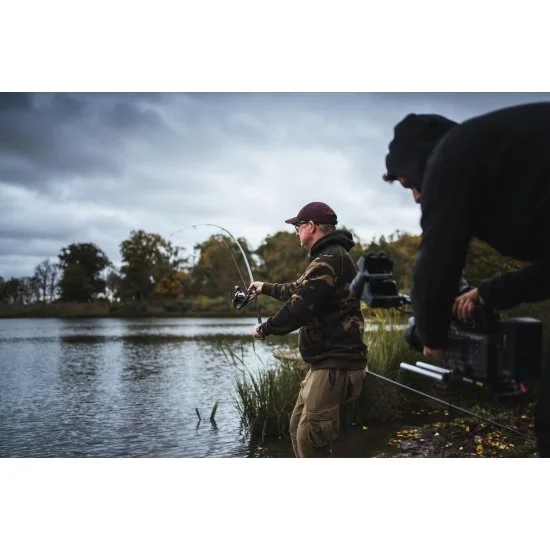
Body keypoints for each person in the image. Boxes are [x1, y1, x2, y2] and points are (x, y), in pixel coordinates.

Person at [383, 102, 550, 457]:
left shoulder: (450, 155)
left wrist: (432, 336)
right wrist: (487, 294)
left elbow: (437, 260)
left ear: (422, 161)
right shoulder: (503, 163)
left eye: (410, 184)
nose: (416, 196)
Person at [248, 201, 368, 458]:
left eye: (298, 226)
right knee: (297, 428)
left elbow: (299, 308)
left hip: (335, 362)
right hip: (326, 361)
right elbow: (299, 289)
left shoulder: (329, 259)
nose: (296, 232)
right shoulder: (328, 257)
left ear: (311, 226)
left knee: (310, 436)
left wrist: (265, 329)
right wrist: (264, 287)